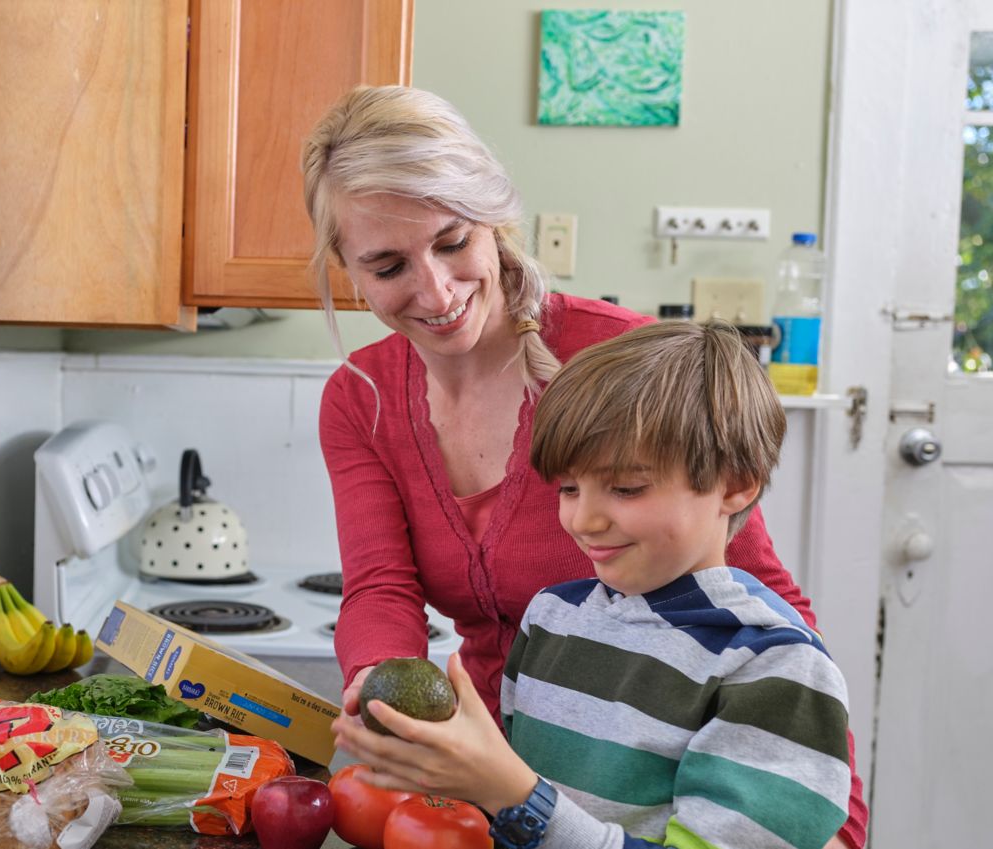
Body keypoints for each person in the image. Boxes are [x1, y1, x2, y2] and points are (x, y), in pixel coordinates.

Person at [303, 85, 866, 848]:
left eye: (450, 241)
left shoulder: (620, 366)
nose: (435, 289)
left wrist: (829, 810)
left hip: (658, 772)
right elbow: (379, 587)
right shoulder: (359, 397)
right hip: (514, 774)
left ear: (494, 221)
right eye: (386, 263)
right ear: (346, 267)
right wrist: (388, 695)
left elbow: (756, 592)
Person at [342, 321, 852, 848]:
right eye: (568, 488)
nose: (583, 520)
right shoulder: (554, 619)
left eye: (626, 488)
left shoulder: (771, 668)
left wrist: (515, 796)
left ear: (735, 486)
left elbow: (527, 805)